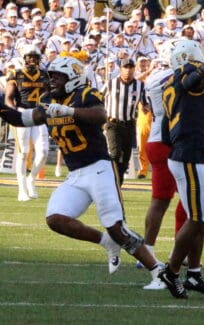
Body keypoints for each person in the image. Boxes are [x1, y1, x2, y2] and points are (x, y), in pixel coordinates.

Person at [0, 56, 166, 289]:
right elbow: (22, 118)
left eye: (57, 76)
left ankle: (158, 271)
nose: (52, 81)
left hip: (99, 168)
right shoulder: (47, 100)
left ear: (73, 76)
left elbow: (100, 115)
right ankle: (105, 242)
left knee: (117, 228)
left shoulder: (86, 93)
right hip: (75, 174)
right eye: (51, 76)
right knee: (56, 219)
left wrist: (68, 110)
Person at [158, 40, 204, 299]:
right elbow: (189, 82)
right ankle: (171, 272)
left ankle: (193, 273)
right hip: (189, 158)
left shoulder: (168, 85)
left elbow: (165, 131)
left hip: (187, 153)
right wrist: (202, 72)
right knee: (197, 218)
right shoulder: (190, 79)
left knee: (200, 218)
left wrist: (202, 144)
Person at [139, 67, 188, 290]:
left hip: (158, 138)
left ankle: (147, 249)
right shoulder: (174, 76)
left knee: (160, 200)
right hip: (171, 140)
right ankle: (179, 251)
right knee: (188, 199)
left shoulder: (156, 76)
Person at [4, 45, 49, 201]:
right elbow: (9, 97)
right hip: (22, 112)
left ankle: (32, 179)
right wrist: (13, 112)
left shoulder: (45, 75)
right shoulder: (15, 74)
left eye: (35, 58)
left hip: (39, 114)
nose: (32, 60)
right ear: (24, 58)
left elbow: (51, 95)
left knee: (43, 152)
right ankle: (22, 189)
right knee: (23, 152)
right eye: (29, 57)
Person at [103, 58, 148, 185]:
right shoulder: (111, 83)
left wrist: (146, 107)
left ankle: (118, 183)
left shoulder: (140, 85)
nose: (128, 70)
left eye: (130, 67)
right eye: (125, 67)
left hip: (129, 124)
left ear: (134, 69)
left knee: (126, 157)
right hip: (113, 123)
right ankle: (110, 181)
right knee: (115, 153)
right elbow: (99, 98)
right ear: (120, 69)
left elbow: (145, 103)